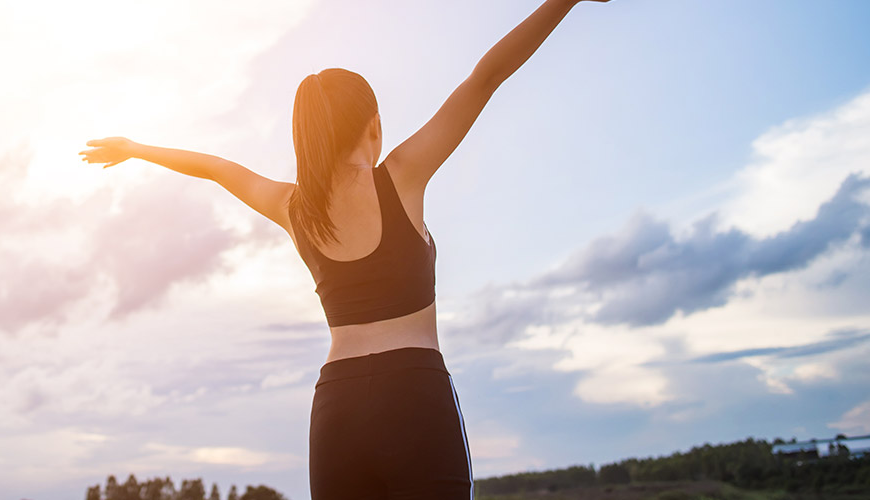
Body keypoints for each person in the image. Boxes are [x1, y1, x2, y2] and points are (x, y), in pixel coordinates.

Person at [80, 1, 613, 498]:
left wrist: (135, 149)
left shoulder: (294, 208)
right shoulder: (402, 177)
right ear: (374, 127)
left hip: (338, 408)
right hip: (415, 395)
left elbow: (218, 168)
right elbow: (487, 76)